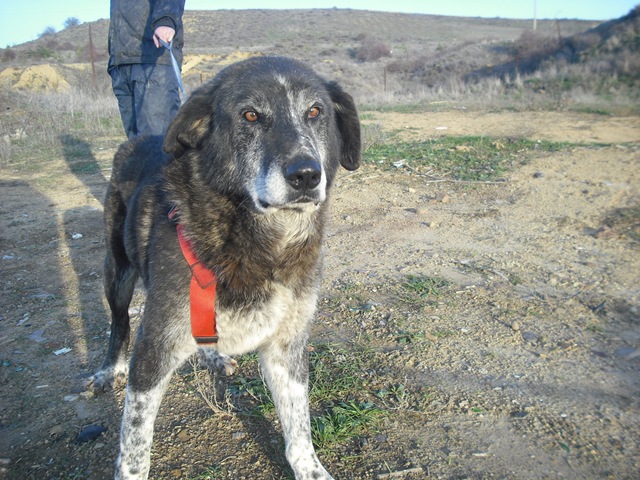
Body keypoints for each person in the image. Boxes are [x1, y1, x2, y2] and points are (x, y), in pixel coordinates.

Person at [108, 0, 185, 139]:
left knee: (158, 143)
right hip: (121, 62)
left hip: (153, 58)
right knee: (135, 149)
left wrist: (165, 20)